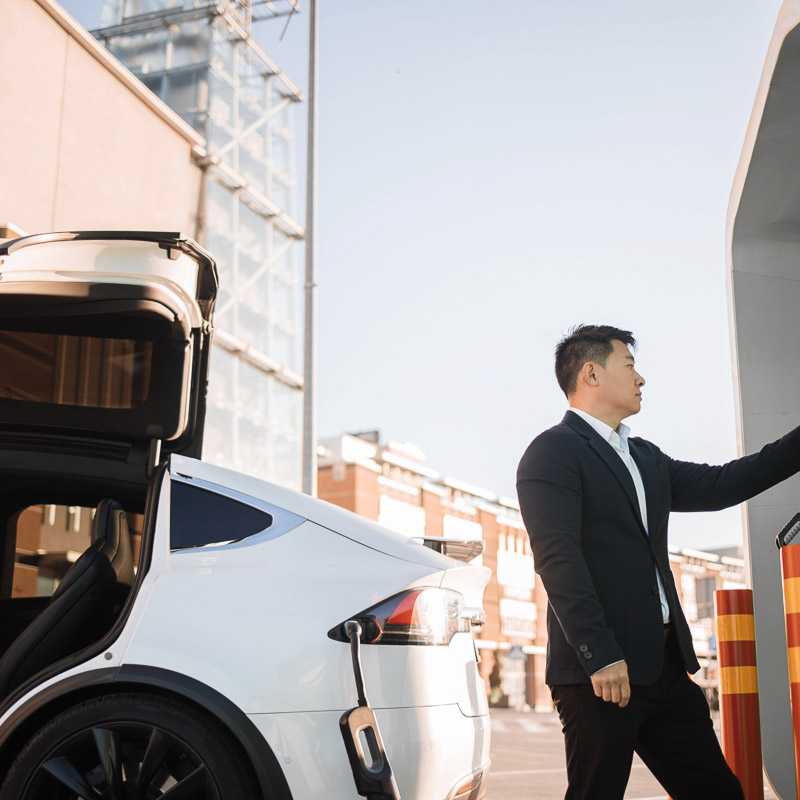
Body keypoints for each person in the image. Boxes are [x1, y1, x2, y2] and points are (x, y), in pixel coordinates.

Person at [516, 324, 800, 800]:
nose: (641, 378)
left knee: (718, 792)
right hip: (602, 676)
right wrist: (599, 654)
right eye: (629, 365)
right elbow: (557, 559)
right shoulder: (552, 453)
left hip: (664, 669)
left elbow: (724, 484)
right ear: (591, 373)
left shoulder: (644, 457)